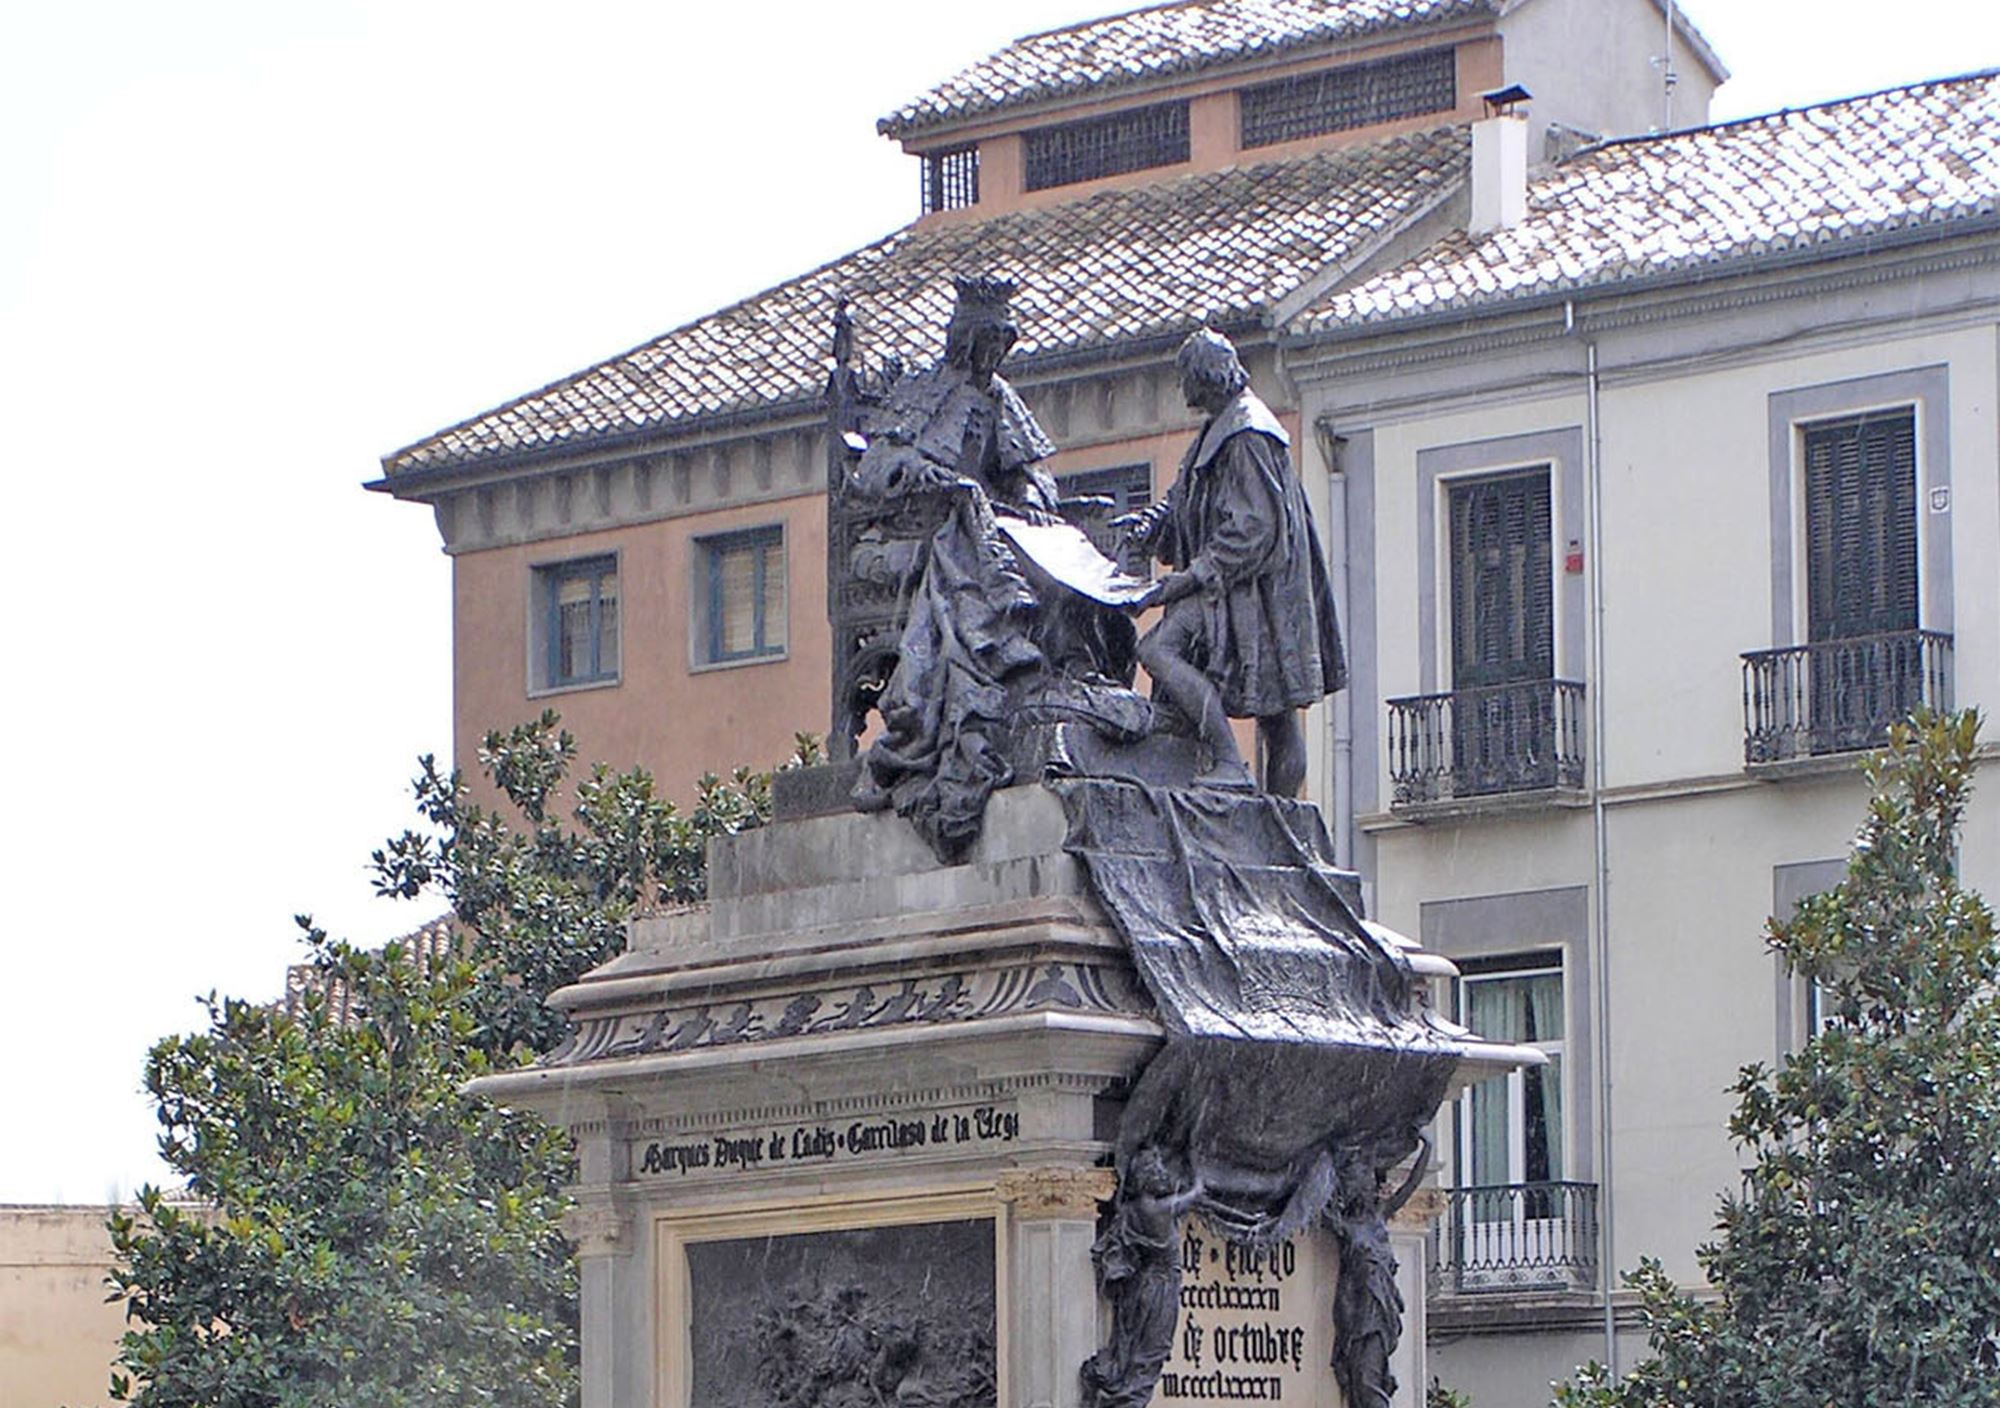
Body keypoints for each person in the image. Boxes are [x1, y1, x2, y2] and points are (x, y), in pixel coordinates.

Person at [1117, 329, 1346, 794]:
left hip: (1249, 591)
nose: (1182, 392)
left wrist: (1188, 578)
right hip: (1240, 587)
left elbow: (1254, 526)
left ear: (1205, 378)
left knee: (1159, 651)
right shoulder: (1221, 425)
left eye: (1186, 380)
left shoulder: (1246, 432)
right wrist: (1150, 526)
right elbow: (1184, 496)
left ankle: (1230, 763)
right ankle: (1280, 822)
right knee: (1278, 716)